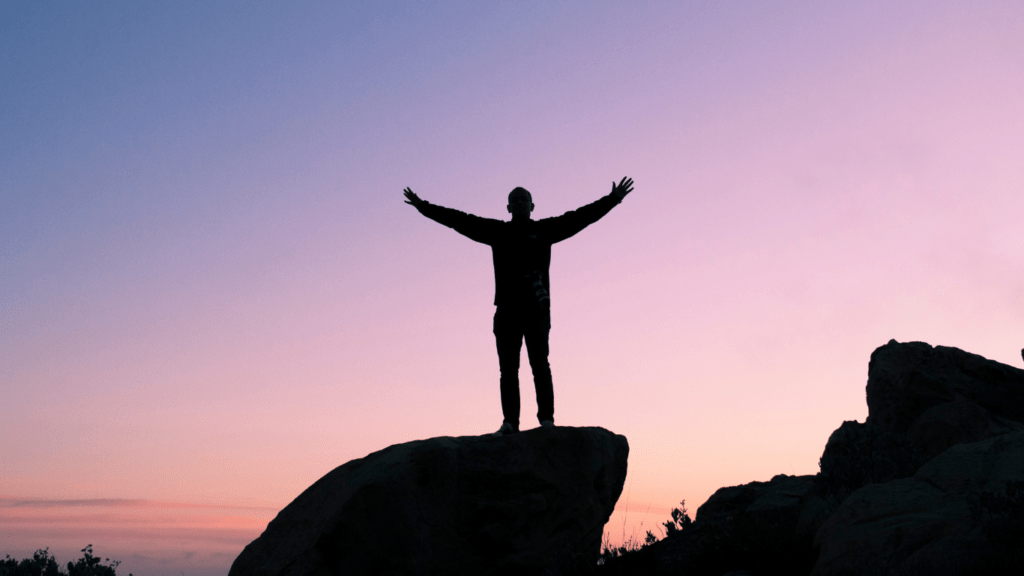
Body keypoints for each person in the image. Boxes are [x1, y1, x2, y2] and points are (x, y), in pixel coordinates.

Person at [403, 177, 634, 435]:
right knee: (508, 370)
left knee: (540, 365)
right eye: (515, 200)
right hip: (507, 311)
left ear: (533, 206)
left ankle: (546, 420)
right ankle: (510, 423)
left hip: (536, 309)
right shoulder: (498, 232)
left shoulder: (545, 230)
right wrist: (423, 207)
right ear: (508, 208)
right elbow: (460, 220)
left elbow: (579, 218)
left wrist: (612, 200)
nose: (520, 203)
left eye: (524, 199)